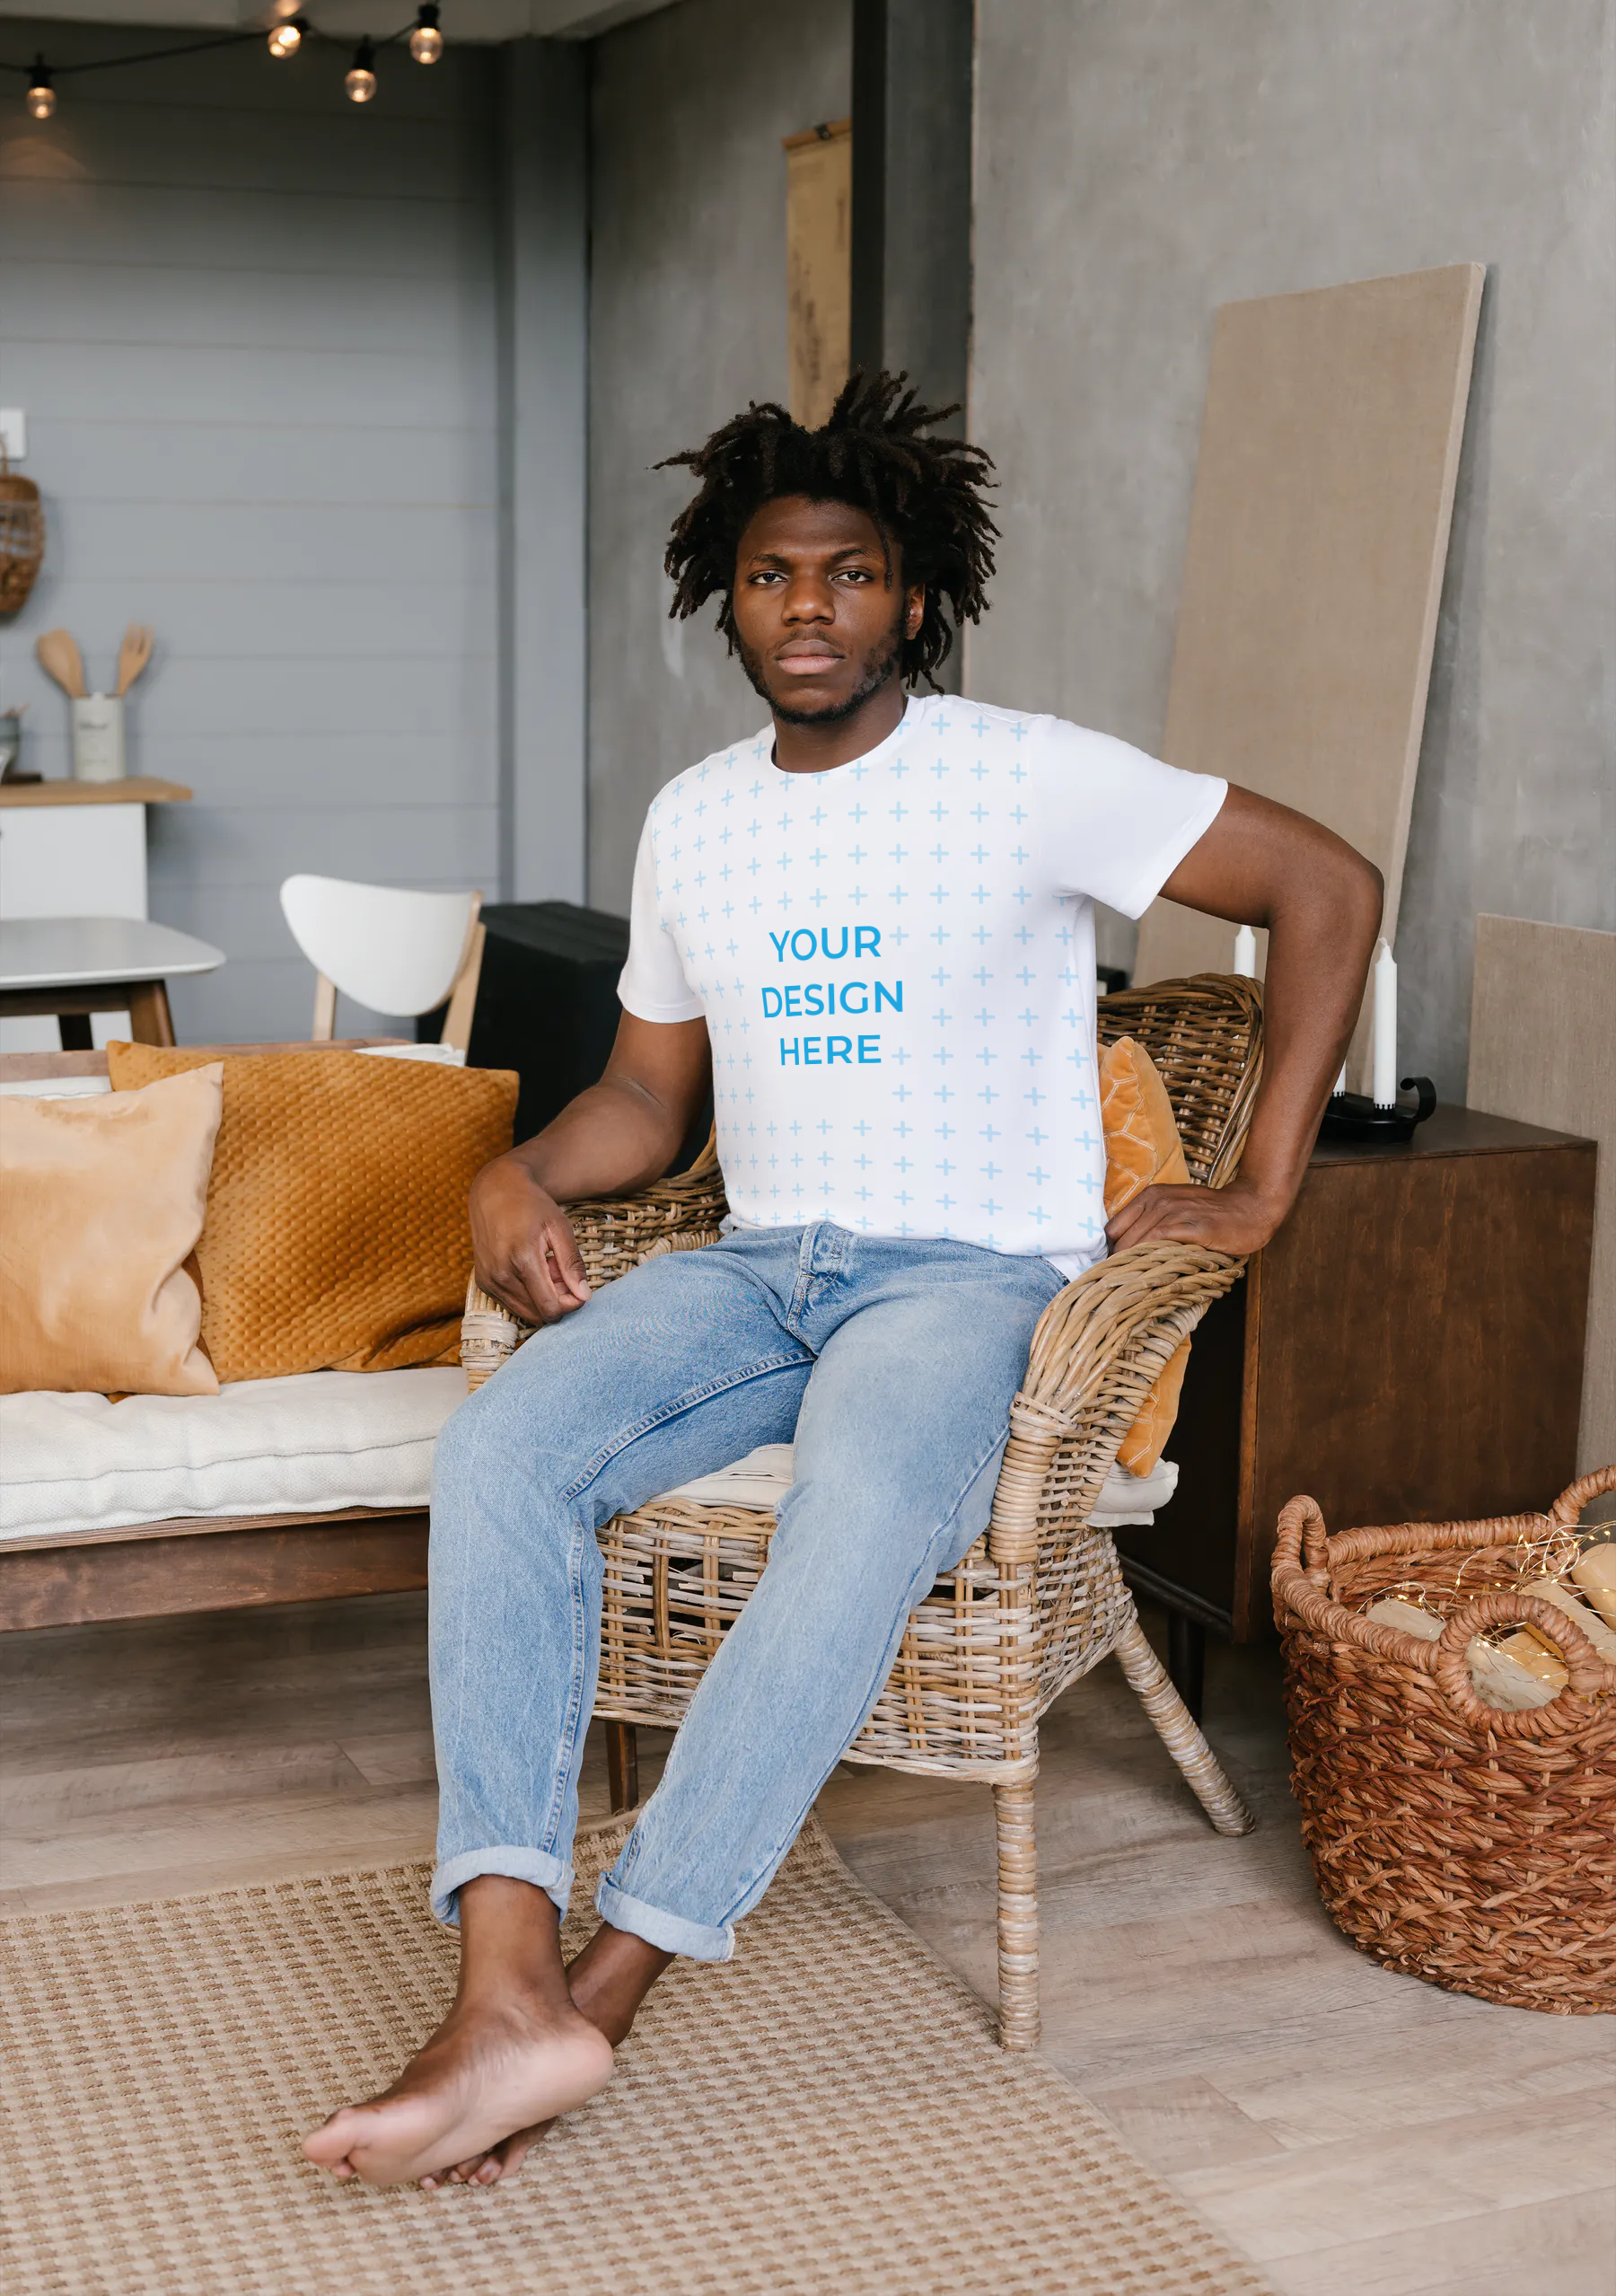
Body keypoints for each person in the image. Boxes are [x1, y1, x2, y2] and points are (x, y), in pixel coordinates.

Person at [305, 372, 1382, 2189]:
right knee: (499, 1451)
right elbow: (650, 1099)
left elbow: (1324, 882)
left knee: (863, 1505)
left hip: (962, 1281)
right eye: (770, 574)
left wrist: (1261, 1178)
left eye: (850, 571)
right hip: (755, 1268)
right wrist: (512, 1166)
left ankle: (607, 1983)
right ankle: (502, 1981)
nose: (808, 603)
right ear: (721, 598)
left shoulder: (1027, 772)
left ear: (914, 595)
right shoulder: (694, 819)